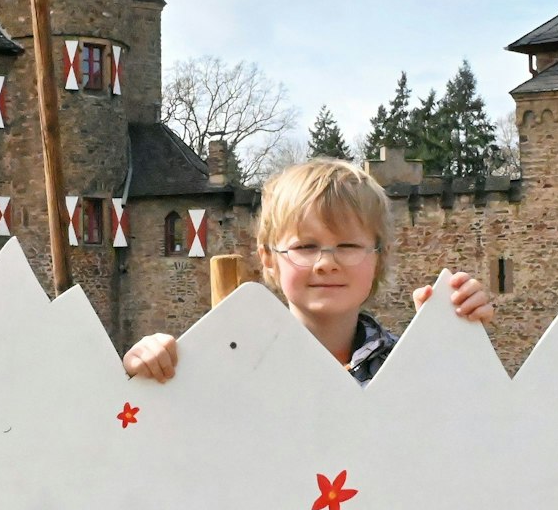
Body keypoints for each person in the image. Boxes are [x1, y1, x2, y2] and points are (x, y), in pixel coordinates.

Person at [122, 158, 494, 384]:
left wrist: (454, 343)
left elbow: (470, 430)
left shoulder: (410, 366)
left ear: (379, 257)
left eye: (348, 245)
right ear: (268, 258)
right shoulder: (229, 363)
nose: (326, 262)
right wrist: (150, 370)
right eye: (305, 246)